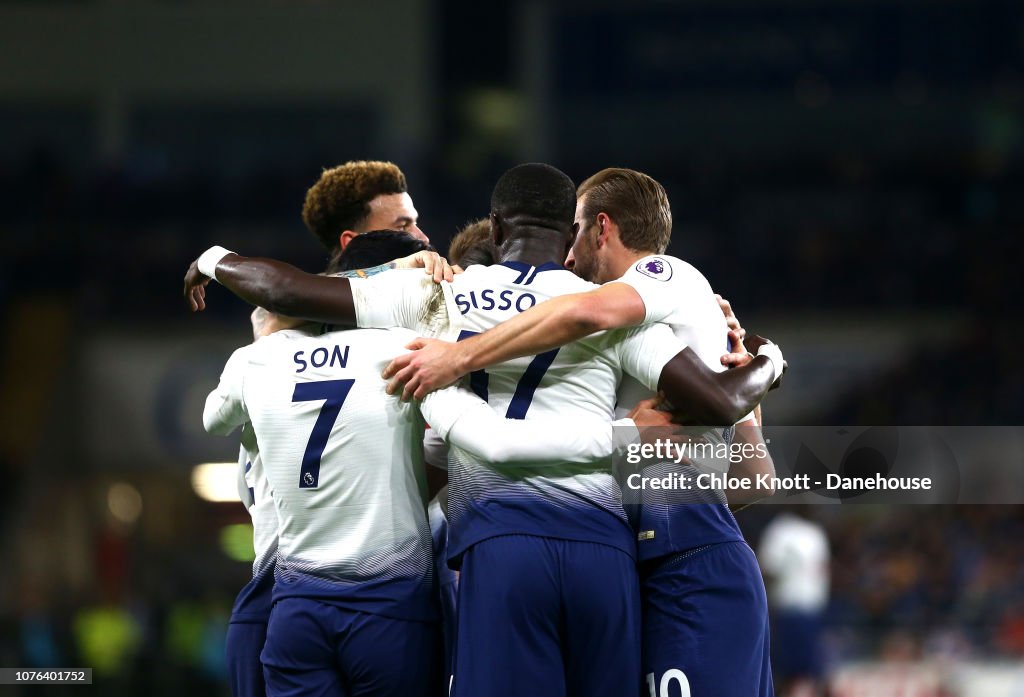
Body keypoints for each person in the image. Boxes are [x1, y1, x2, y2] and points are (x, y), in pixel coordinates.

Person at [184, 163, 783, 697]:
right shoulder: (613, 308)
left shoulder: (441, 296)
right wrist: (759, 358)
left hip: (500, 550)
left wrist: (214, 259)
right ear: (570, 235)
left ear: (495, 231)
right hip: (605, 554)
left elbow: (286, 289)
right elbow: (715, 404)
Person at [380, 167, 779, 697]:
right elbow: (753, 480)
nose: (565, 258)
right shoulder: (632, 331)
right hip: (634, 563)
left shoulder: (655, 288)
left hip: (685, 558)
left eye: (574, 231)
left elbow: (578, 312)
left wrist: (766, 362)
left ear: (600, 229)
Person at [759, 509, 831, 697]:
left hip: (811, 609)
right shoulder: (780, 530)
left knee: (811, 669)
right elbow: (768, 570)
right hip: (788, 609)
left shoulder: (814, 532)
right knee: (786, 669)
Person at [303, 160, 428, 254]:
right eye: (402, 227)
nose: (424, 239)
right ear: (352, 243)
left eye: (415, 224)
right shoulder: (304, 287)